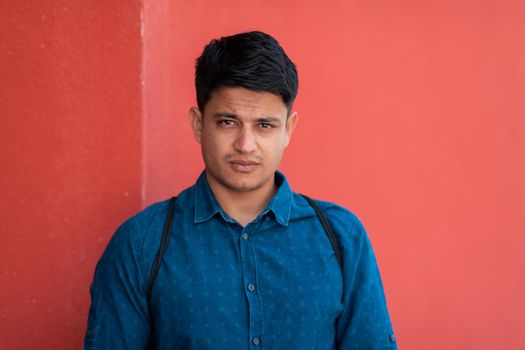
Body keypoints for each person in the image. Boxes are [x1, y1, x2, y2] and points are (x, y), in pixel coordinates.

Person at [84, 31, 397, 350]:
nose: (246, 145)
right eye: (228, 122)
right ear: (198, 123)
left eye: (265, 125)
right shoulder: (141, 244)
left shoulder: (342, 238)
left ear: (288, 130)